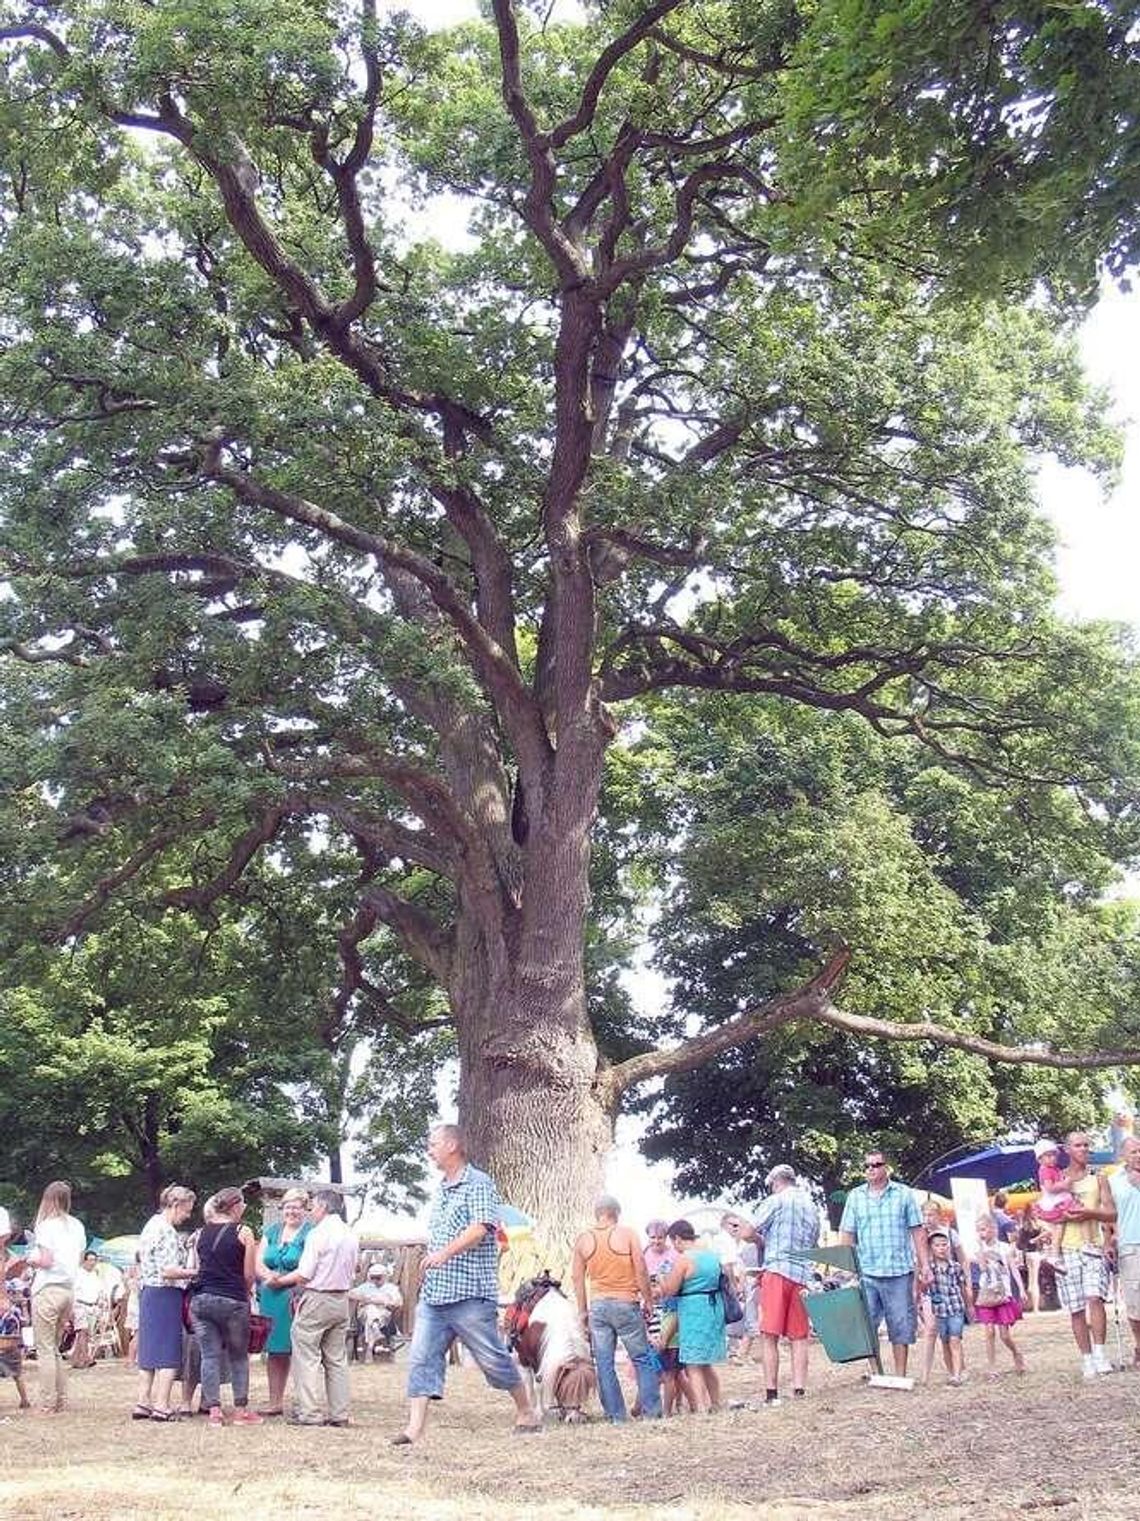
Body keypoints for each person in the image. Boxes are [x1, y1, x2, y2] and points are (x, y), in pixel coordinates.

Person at [393, 1124, 539, 1445]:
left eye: (433, 1144)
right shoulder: (441, 1187)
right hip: (435, 1296)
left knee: (492, 1359)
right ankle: (414, 1429)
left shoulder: (479, 1183)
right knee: (421, 1358)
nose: (429, 1150)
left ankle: (527, 1410)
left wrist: (443, 1254)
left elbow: (481, 1227)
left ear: (453, 1145)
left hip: (470, 1294)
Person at [724, 1164, 820, 1405]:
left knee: (770, 1335)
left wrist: (754, 1237)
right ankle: (799, 1389)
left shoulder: (775, 1201)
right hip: (801, 1275)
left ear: (776, 1182)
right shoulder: (811, 1206)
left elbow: (748, 1231)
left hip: (776, 1271)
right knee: (799, 1336)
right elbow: (814, 1243)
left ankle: (771, 1392)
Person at [268, 1188, 359, 1427]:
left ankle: (309, 1413)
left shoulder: (318, 1234)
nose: (312, 1212)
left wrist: (278, 1280)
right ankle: (339, 1413)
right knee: (336, 1359)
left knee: (306, 1356)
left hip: (317, 1298)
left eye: (314, 1208)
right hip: (341, 1299)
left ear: (323, 1207)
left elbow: (305, 1274)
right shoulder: (351, 1234)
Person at [838, 1150, 930, 1377]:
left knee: (900, 1325)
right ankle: (876, 1372)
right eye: (867, 1165)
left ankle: (900, 1374)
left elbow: (917, 1232)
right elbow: (847, 1233)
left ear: (887, 1167)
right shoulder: (855, 1196)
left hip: (898, 1270)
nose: (871, 1169)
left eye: (876, 1164)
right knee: (867, 1325)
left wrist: (925, 1264)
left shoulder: (904, 1194)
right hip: (866, 1270)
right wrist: (846, 1267)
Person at [571, 1194, 661, 1424]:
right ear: (617, 1213)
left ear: (597, 1213)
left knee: (604, 1363)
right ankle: (651, 1411)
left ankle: (616, 1415)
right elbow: (640, 1269)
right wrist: (648, 1299)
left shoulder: (583, 1239)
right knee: (641, 1358)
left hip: (599, 1305)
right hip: (625, 1302)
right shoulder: (627, 1234)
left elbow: (577, 1278)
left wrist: (582, 1312)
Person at [188, 1186, 263, 1426]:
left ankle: (214, 1411)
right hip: (232, 1301)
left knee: (209, 1355)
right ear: (235, 1206)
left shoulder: (200, 1233)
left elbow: (199, 1268)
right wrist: (246, 1291)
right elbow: (249, 1273)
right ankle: (241, 1412)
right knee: (238, 1356)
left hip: (201, 1301)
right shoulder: (244, 1231)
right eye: (242, 1205)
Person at [1054, 1130, 1116, 1378]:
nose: (1084, 1149)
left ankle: (1100, 1353)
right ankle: (1087, 1358)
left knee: (1095, 1298)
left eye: (1086, 1145)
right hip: (1067, 1247)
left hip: (1092, 1245)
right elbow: (1047, 1213)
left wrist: (1090, 1214)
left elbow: (1111, 1214)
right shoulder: (1057, 1180)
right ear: (1067, 1149)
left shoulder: (1098, 1178)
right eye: (1078, 1145)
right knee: (1076, 1307)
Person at [134, 1183, 198, 1421]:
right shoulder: (168, 1232)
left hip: (148, 1293)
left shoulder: (150, 1225)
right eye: (186, 1210)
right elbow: (169, 1271)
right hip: (166, 1294)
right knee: (169, 1351)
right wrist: (194, 1271)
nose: (188, 1215)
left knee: (149, 1351)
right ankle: (162, 1404)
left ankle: (143, 1401)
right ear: (175, 1205)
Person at [25, 1180, 86, 1415]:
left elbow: (46, 1261)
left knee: (45, 1348)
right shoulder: (77, 1226)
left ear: (48, 1199)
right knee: (56, 1348)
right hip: (68, 1290)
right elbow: (78, 1261)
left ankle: (48, 1403)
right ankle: (60, 1399)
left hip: (48, 1288)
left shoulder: (46, 1226)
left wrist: (30, 1260)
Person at [655, 1219, 726, 1413]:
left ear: (677, 1238)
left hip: (694, 1311)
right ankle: (716, 1402)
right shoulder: (712, 1255)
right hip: (714, 1307)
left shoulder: (685, 1259)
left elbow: (670, 1289)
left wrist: (661, 1278)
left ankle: (701, 1407)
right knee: (706, 1362)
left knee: (693, 1363)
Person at [255, 1186, 311, 1415]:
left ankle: (303, 1402)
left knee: (296, 1350)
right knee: (274, 1350)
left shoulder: (311, 1232)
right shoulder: (272, 1231)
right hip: (270, 1294)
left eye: (296, 1207)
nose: (291, 1211)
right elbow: (259, 1261)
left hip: (295, 1295)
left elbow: (309, 1265)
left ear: (305, 1209)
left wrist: (283, 1280)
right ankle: (274, 1401)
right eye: (288, 1207)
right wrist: (269, 1276)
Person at [972, 1211, 1025, 1377]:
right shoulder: (978, 1248)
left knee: (1004, 1335)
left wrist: (1021, 1289)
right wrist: (981, 1250)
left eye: (984, 1230)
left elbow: (1013, 1269)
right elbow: (982, 1268)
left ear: (993, 1229)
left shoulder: (1004, 1248)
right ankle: (992, 1367)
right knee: (989, 1332)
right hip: (986, 1294)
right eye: (979, 1230)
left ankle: (1016, 1353)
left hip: (1003, 1293)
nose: (982, 1234)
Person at [1108, 1134, 1140, 1366]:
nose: (1138, 1155)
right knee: (1134, 1301)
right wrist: (1109, 1237)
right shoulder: (1113, 1180)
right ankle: (1139, 1345)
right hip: (1129, 1243)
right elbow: (1109, 1214)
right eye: (1134, 1152)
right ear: (1123, 1155)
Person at [921, 1229, 968, 1385]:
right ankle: (951, 1372)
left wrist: (969, 1305)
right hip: (940, 1310)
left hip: (955, 1307)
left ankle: (957, 1374)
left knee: (955, 1340)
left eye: (944, 1244)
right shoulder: (930, 1269)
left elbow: (962, 1286)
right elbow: (924, 1289)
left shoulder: (955, 1267)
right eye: (937, 1245)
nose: (941, 1248)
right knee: (945, 1342)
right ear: (931, 1248)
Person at [1033, 1138, 1074, 1268]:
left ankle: (1056, 1251)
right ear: (1040, 1159)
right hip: (1054, 1200)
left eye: (1054, 1155)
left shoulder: (1055, 1169)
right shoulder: (1045, 1170)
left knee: (1059, 1227)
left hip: (1059, 1198)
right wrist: (1064, 1184)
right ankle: (1054, 1253)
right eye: (1048, 1156)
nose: (1052, 1158)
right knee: (1059, 1226)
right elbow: (1050, 1188)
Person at [351, 1261, 404, 1357]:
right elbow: (350, 1294)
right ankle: (375, 1334)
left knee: (371, 1316)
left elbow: (399, 1302)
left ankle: (370, 1347)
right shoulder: (365, 1287)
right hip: (364, 1313)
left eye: (378, 1277)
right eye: (372, 1277)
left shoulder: (391, 1288)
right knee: (371, 1310)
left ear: (385, 1277)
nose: (375, 1280)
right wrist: (364, 1299)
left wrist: (381, 1302)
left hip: (383, 1315)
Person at [70, 1249, 105, 1370]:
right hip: (80, 1304)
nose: (92, 1262)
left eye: (94, 1260)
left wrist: (101, 1301)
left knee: (85, 1334)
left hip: (92, 1306)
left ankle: (76, 1358)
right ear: (84, 1261)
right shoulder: (78, 1274)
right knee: (82, 1330)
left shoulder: (95, 1274)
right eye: (90, 1260)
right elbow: (73, 1291)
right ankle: (86, 1358)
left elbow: (100, 1290)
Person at [0, 1277, 30, 1410]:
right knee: (18, 1375)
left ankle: (24, 1400)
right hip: (11, 1345)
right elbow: (26, 1322)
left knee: (18, 1375)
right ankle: (24, 1400)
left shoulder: (13, 1312)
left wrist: (24, 1306)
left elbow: (25, 1322)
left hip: (9, 1345)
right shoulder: (15, 1311)